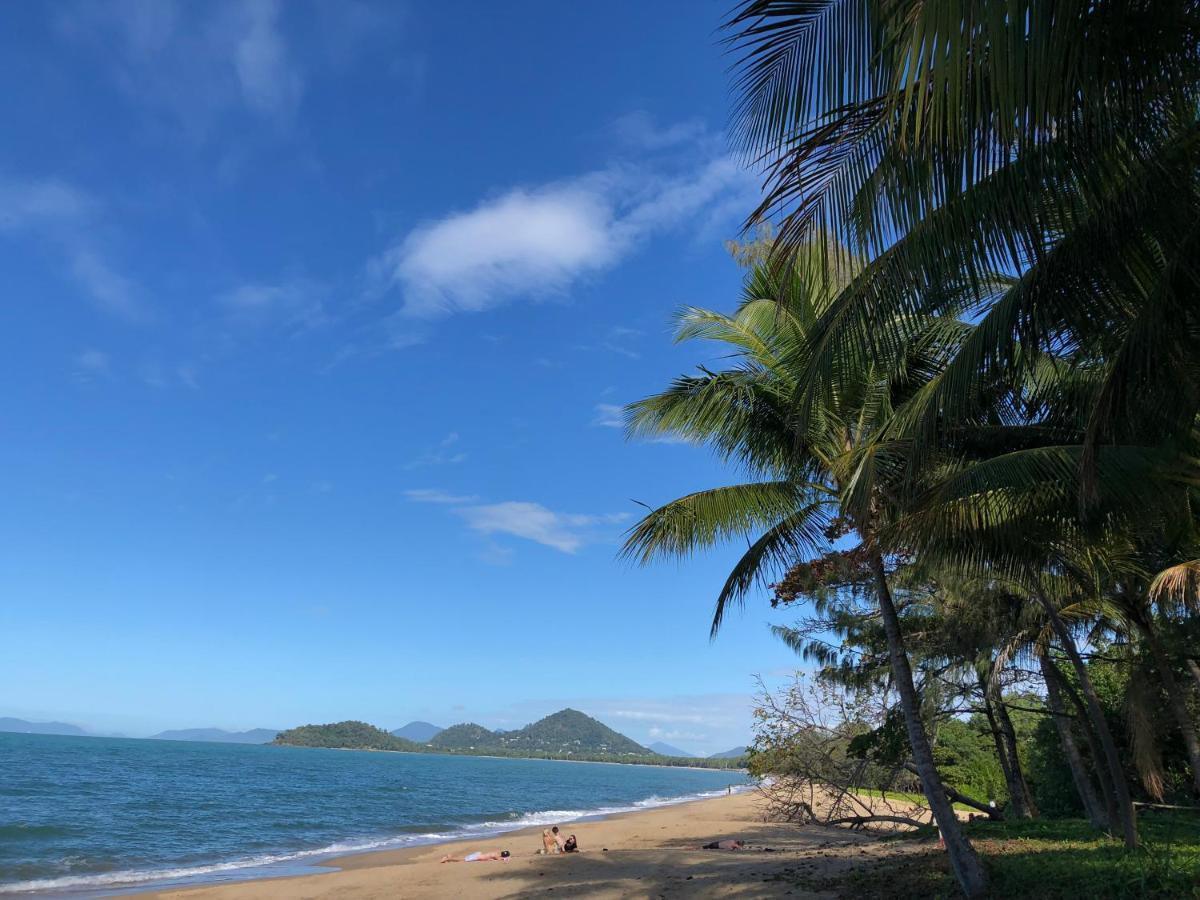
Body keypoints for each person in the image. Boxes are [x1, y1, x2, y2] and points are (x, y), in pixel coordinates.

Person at [440, 850, 511, 863]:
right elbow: (499, 860)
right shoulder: (496, 856)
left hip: (478, 854)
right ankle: (447, 858)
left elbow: (497, 858)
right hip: (478, 857)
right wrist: (506, 858)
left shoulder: (495, 853)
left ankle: (449, 857)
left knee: (463, 858)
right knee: (462, 860)